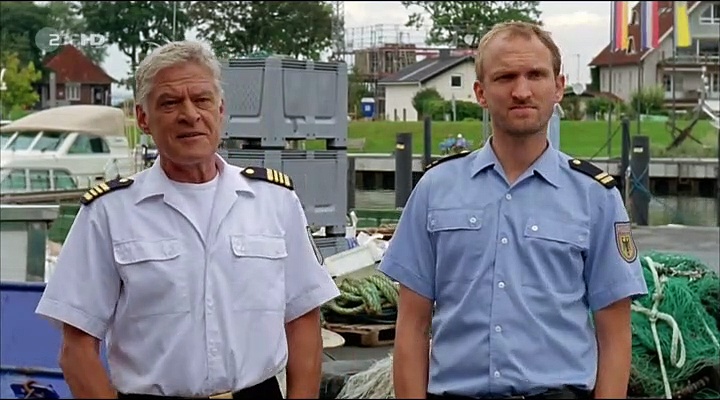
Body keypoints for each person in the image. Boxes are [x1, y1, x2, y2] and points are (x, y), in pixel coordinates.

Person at [35, 40, 340, 399]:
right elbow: (76, 350)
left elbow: (303, 320)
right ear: (143, 118)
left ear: (221, 110)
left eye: (202, 99)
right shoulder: (109, 213)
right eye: (170, 103)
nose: (190, 114)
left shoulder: (274, 201)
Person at [379, 21, 648, 399]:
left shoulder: (595, 196)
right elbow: (411, 326)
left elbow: (615, 333)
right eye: (505, 77)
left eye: (535, 75)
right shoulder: (435, 190)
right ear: (480, 92)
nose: (521, 91)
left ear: (558, 87)